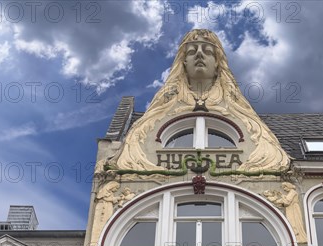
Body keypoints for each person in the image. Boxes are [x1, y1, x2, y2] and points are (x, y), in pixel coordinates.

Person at [112, 29, 290, 173]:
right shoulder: (154, 118)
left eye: (207, 51)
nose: (198, 54)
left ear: (218, 64)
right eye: (191, 51)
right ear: (182, 63)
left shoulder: (242, 116)